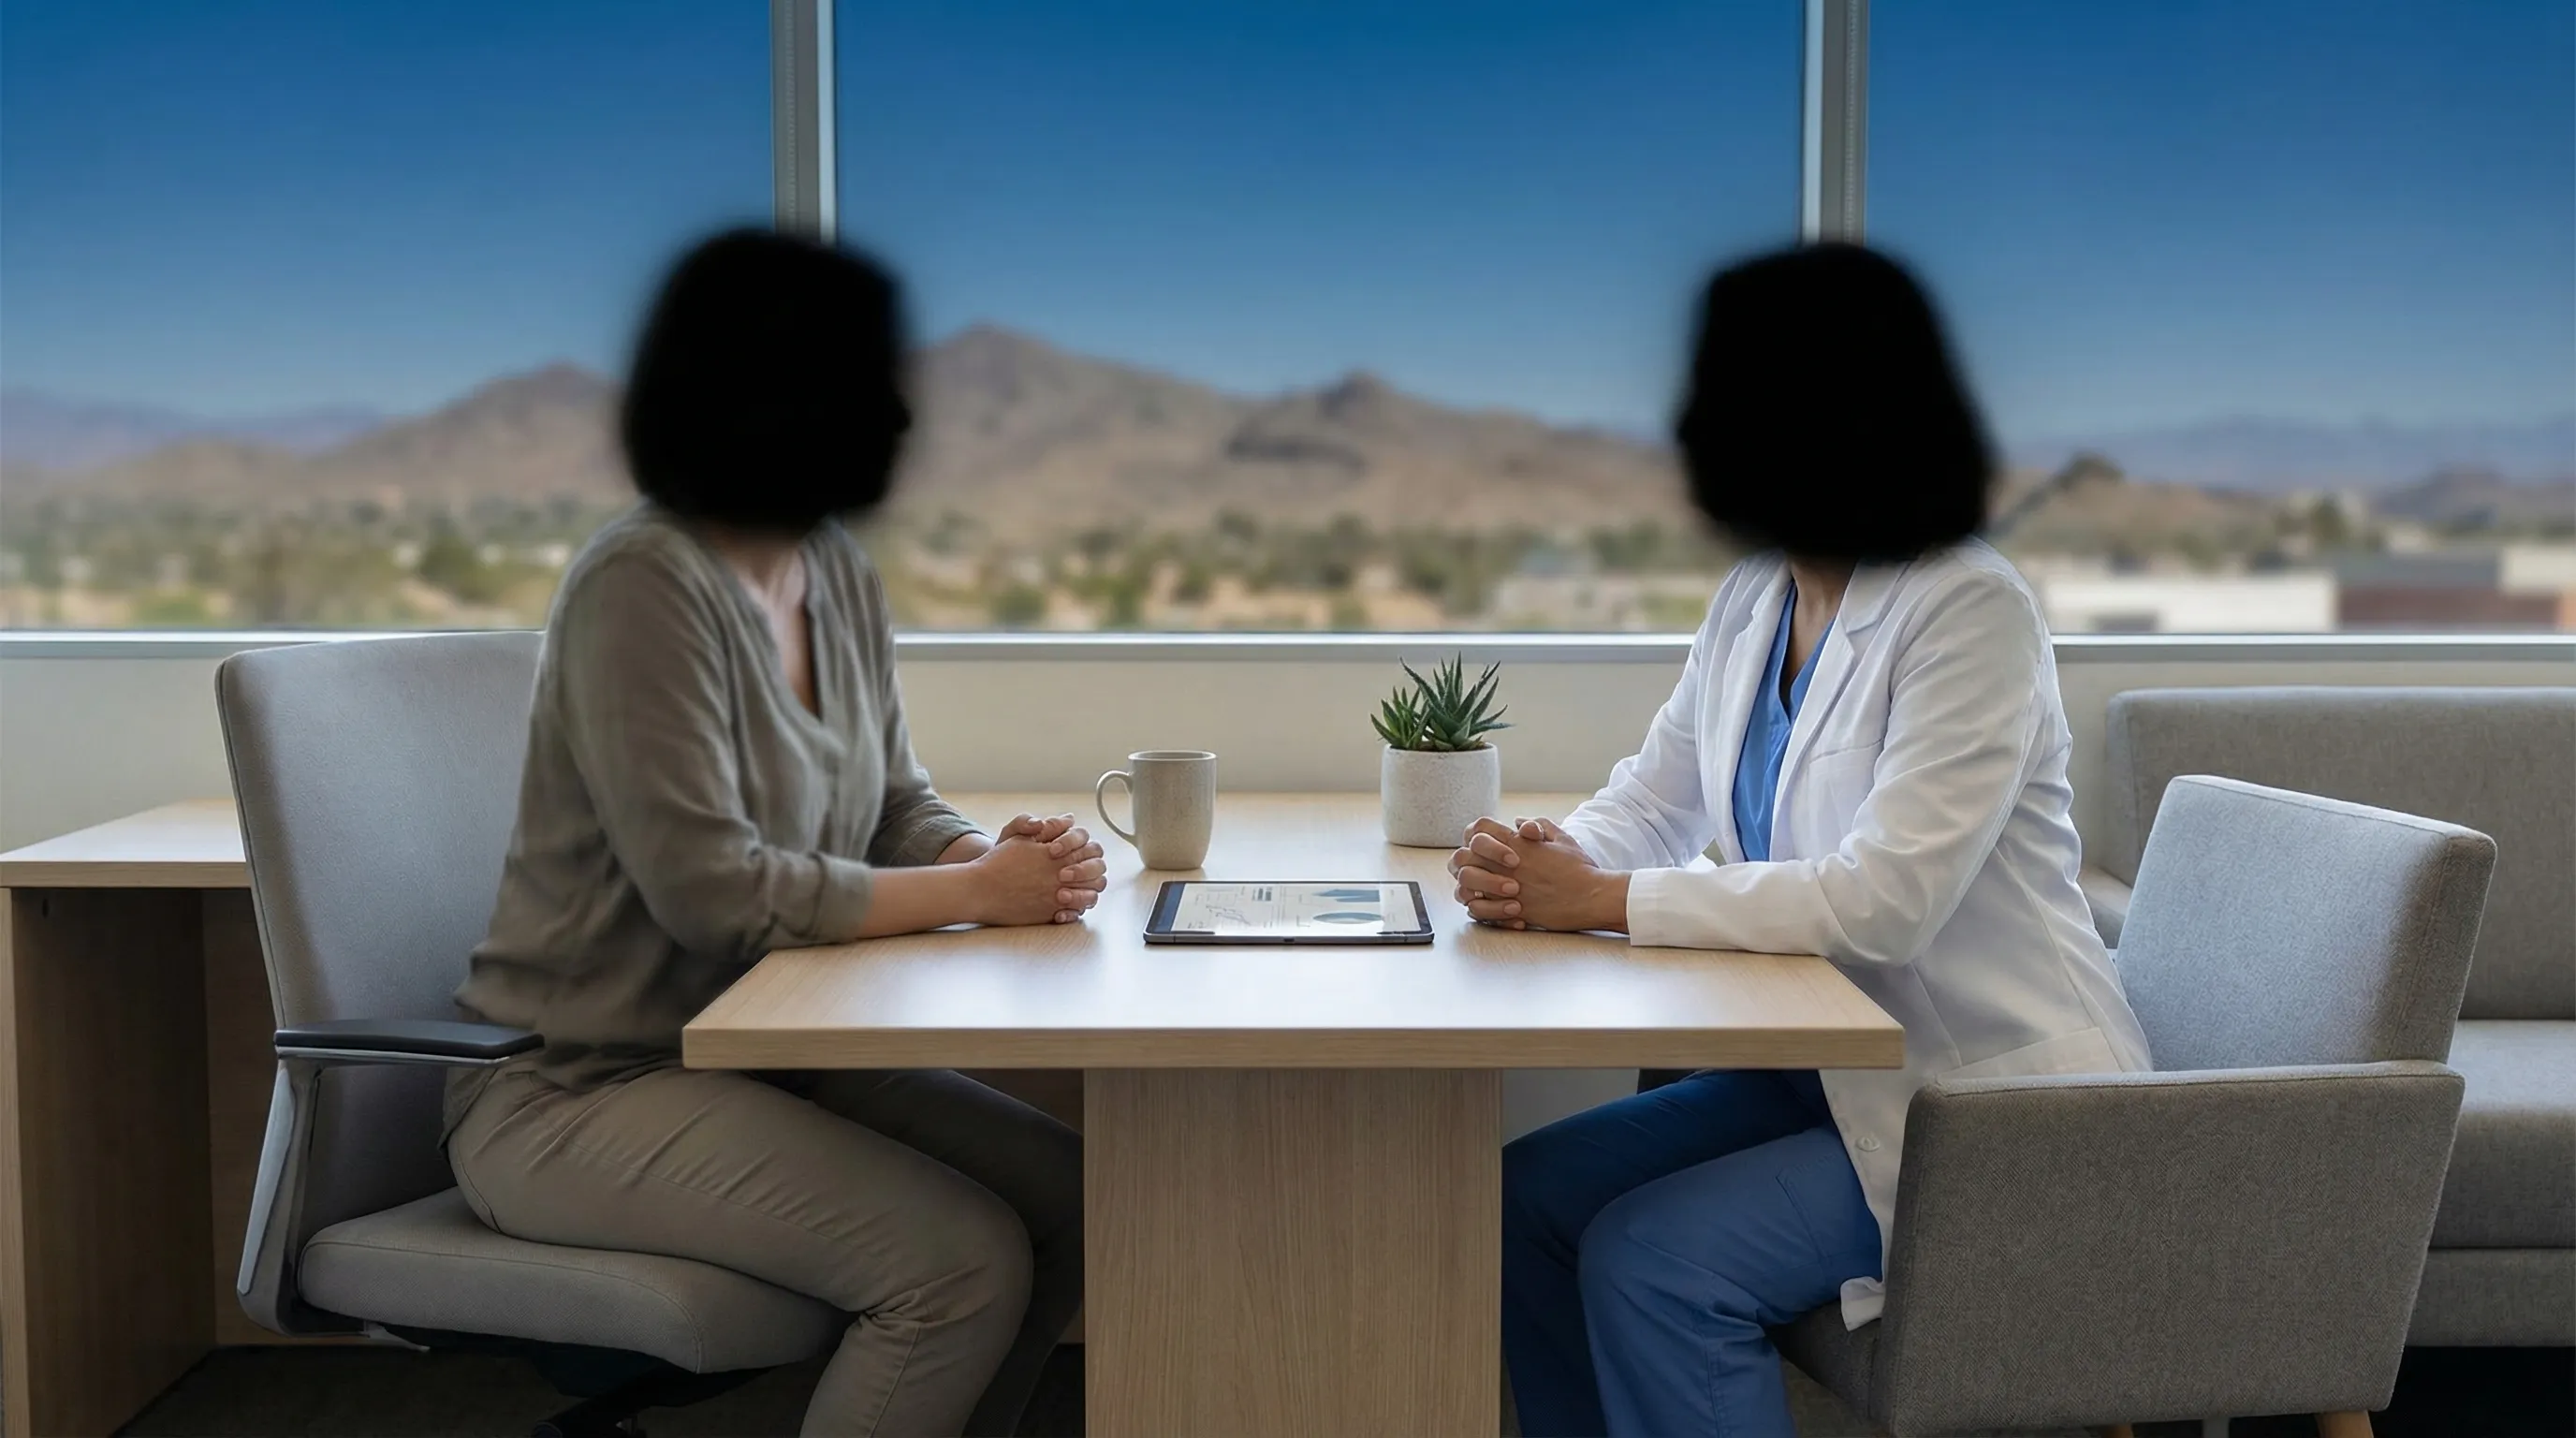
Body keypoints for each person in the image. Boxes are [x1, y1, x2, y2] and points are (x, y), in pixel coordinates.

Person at [1455, 243, 2152, 1438]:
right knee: (1523, 1201)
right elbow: (1656, 798)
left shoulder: (1965, 607)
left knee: (1654, 1263)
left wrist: (1598, 900)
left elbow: (1884, 902)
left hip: (1984, 1105)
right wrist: (1537, 863)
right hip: (1818, 1080)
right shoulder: (1756, 596)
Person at [445, 228, 1101, 1437]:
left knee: (1075, 1198)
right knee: (956, 1265)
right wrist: (977, 897)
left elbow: (893, 800)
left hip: (771, 1057)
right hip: (582, 1089)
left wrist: (984, 858)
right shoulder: (642, 586)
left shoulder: (831, 570)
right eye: (870, 378)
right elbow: (716, 895)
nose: (901, 414)